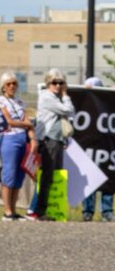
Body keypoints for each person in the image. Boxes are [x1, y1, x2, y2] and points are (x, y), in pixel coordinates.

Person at [32, 68, 75, 221]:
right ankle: (39, 210)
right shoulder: (48, 97)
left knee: (53, 176)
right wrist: (65, 95)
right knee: (47, 176)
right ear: (48, 83)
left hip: (56, 140)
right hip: (48, 140)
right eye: (54, 82)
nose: (57, 85)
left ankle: (49, 209)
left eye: (60, 83)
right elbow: (69, 110)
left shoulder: (55, 98)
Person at [0, 71, 37, 221]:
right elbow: (8, 121)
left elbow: (28, 123)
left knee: (19, 176)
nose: (12, 86)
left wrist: (33, 140)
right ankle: (7, 210)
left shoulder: (20, 102)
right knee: (9, 174)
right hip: (8, 139)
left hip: (22, 138)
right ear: (3, 87)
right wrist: (26, 124)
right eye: (9, 84)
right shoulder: (0, 101)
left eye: (14, 83)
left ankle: (13, 209)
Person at [81, 77, 111, 221]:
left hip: (105, 147)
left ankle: (107, 211)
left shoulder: (108, 105)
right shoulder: (83, 106)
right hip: (89, 147)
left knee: (107, 177)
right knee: (89, 180)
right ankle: (88, 211)